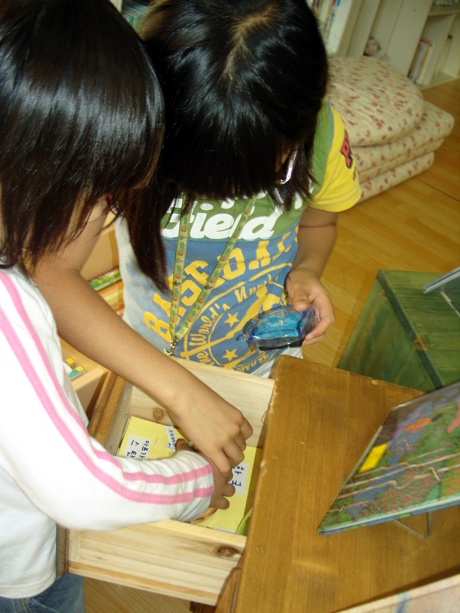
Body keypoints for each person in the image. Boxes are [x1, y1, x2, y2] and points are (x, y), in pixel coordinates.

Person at [0, 1, 236, 610]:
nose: (109, 213)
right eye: (104, 195)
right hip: (17, 579)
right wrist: (196, 480)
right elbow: (81, 490)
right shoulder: (8, 306)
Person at [112, 0, 362, 377]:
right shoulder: (121, 131)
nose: (226, 195)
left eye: (259, 177)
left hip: (262, 362)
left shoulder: (324, 138)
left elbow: (320, 223)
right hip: (145, 358)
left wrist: (307, 269)